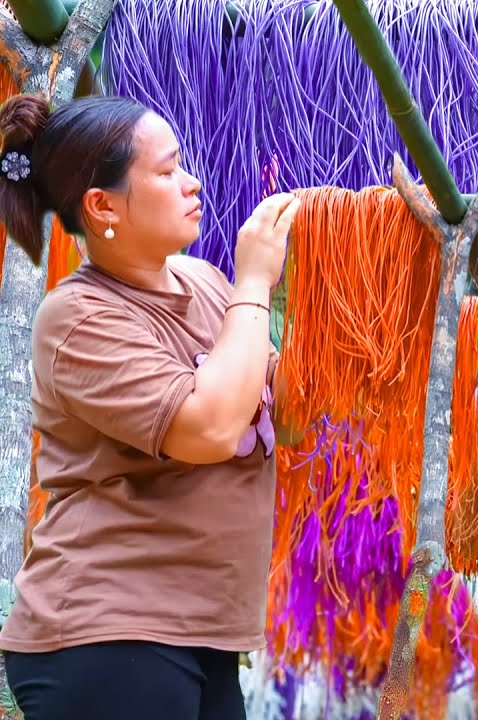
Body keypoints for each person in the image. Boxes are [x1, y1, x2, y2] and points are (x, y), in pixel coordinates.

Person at [0, 94, 302, 720]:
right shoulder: (78, 318)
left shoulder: (206, 284)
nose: (191, 183)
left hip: (200, 633)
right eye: (165, 172)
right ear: (103, 205)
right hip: (107, 633)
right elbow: (211, 429)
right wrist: (254, 284)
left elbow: (286, 409)